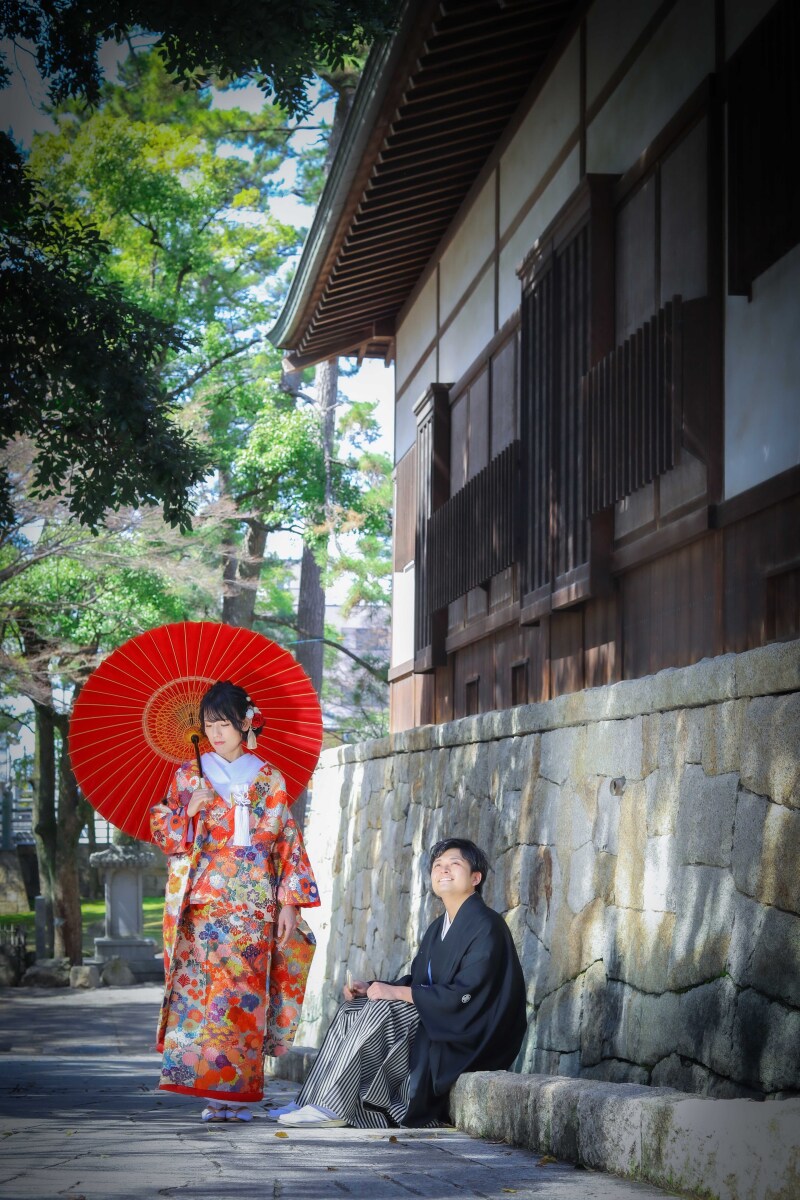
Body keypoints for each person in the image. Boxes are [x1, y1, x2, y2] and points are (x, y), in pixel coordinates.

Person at [150, 679, 319, 1123]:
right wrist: (188, 811)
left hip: (253, 903)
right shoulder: (190, 775)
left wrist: (289, 903)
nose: (216, 733)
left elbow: (286, 841)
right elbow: (164, 829)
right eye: (209, 725)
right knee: (204, 999)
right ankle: (213, 1093)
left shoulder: (268, 777)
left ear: (246, 723)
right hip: (203, 903)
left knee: (245, 998)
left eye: (224, 723)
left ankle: (241, 1095)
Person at [273, 838, 526, 1129]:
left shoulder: (487, 926)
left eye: (454, 864)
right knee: (354, 1008)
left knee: (383, 1009)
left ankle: (334, 1106)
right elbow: (420, 982)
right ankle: (311, 1098)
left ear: (475, 878)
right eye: (438, 865)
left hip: (472, 1034)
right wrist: (372, 987)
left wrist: (393, 993)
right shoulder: (439, 927)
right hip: (442, 1018)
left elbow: (465, 995)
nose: (443, 870)